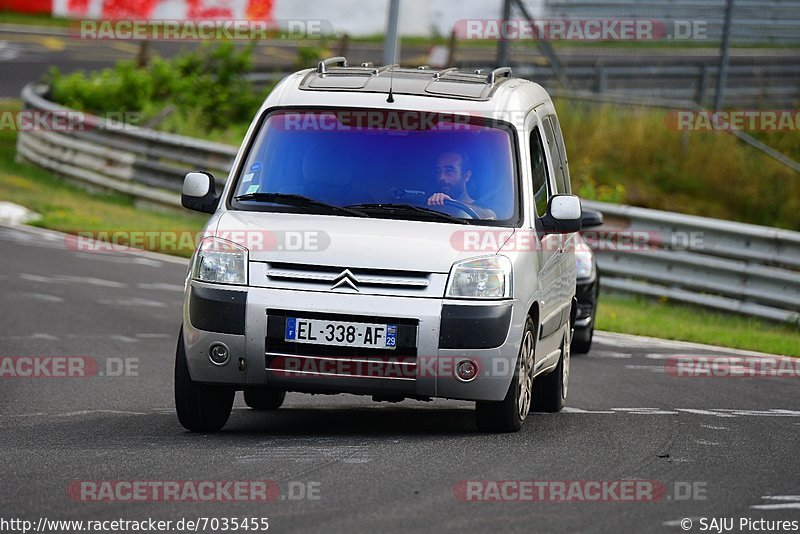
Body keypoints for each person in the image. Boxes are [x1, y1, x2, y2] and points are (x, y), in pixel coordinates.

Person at [427, 151, 496, 219]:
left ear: (466, 175)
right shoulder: (426, 207)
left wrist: (453, 204)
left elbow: (490, 215)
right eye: (437, 171)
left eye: (449, 170)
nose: (441, 177)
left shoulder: (484, 209)